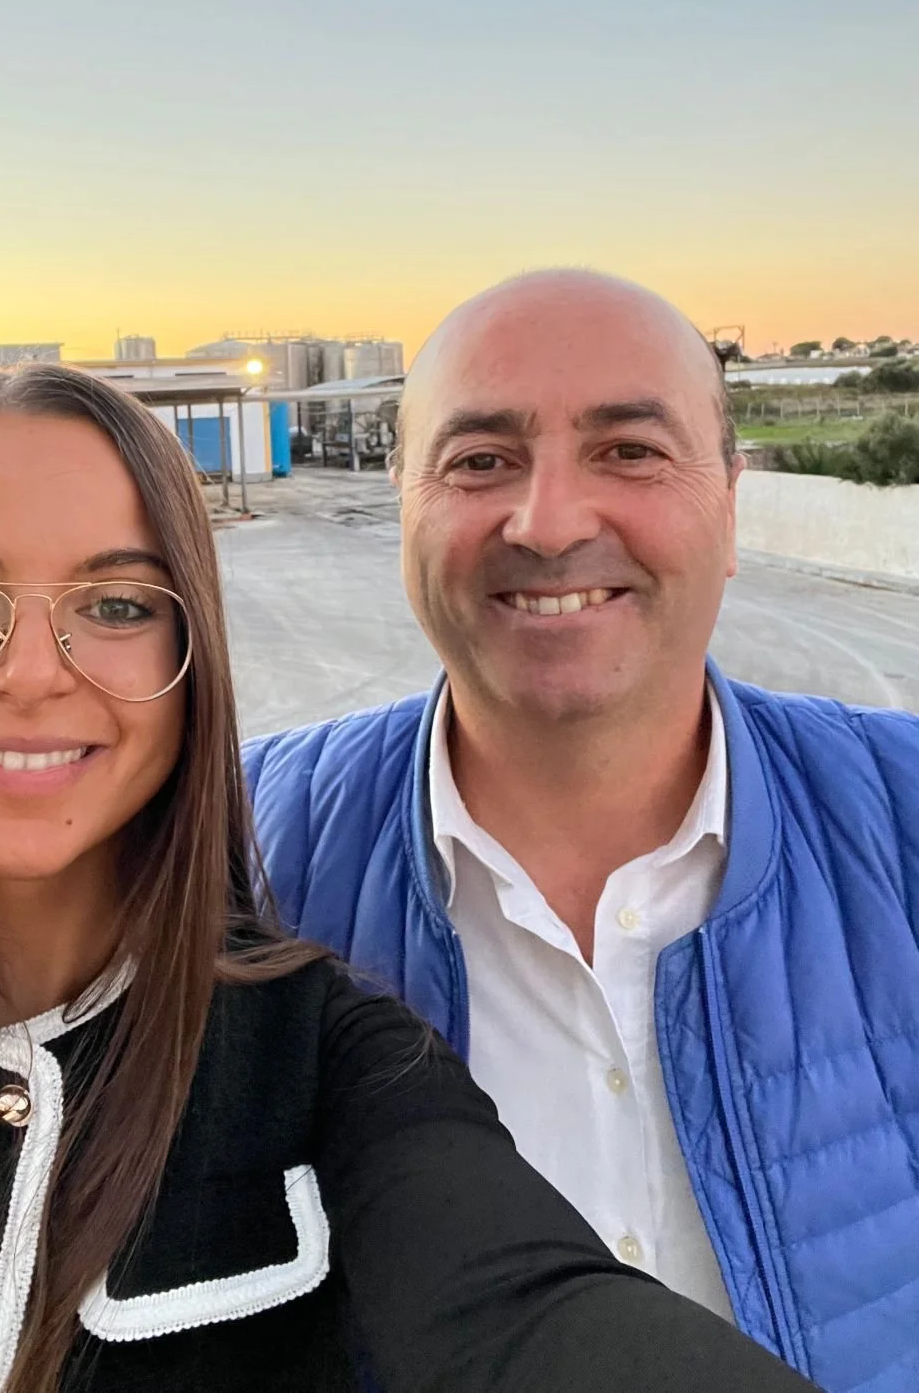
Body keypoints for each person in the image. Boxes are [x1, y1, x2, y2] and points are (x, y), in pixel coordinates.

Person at [0, 363, 816, 1393]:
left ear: (190, 653)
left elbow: (530, 1317)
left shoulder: (328, 1063)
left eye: (115, 604)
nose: (33, 672)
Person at [245, 270, 919, 1393]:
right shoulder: (236, 853)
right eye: (477, 460)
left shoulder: (896, 819)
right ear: (402, 509)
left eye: (628, 451)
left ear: (730, 504)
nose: (548, 519)